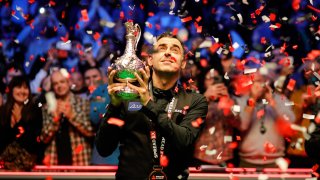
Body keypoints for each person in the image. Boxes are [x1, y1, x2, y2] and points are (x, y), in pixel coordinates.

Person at [96, 32, 208, 179]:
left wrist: (148, 104)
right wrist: (114, 106)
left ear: (183, 63)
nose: (168, 52)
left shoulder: (195, 101)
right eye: (162, 48)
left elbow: (184, 141)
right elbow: (104, 149)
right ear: (150, 59)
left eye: (175, 50)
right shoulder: (129, 96)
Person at [235, 70, 296, 168]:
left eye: (259, 81)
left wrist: (272, 102)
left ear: (266, 82)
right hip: (247, 161)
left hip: (275, 161)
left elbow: (290, 122)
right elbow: (242, 125)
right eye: (252, 82)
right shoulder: (241, 101)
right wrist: (253, 99)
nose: (255, 86)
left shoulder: (280, 99)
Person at [40, 69, 94, 165]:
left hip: (80, 161)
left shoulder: (83, 103)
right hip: (55, 162)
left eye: (62, 82)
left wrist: (72, 116)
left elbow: (91, 132)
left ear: (68, 82)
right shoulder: (47, 107)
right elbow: (43, 138)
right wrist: (55, 120)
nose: (59, 86)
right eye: (55, 84)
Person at [194, 68, 239, 166]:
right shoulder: (196, 99)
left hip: (226, 157)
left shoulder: (232, 100)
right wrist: (206, 97)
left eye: (216, 78)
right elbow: (191, 122)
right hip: (202, 156)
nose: (213, 81)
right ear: (204, 82)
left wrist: (227, 102)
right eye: (209, 78)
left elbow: (238, 124)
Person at [0, 76, 43, 170]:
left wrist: (19, 122)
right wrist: (13, 126)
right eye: (19, 87)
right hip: (4, 167)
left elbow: (33, 142)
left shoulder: (35, 111)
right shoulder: (3, 111)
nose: (22, 91)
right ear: (11, 90)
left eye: (25, 88)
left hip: (27, 166)